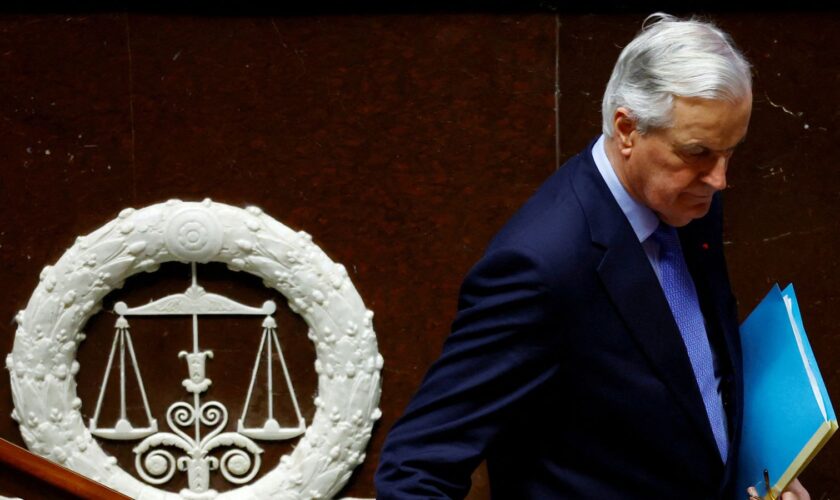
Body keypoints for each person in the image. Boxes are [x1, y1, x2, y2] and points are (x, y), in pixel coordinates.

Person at [375, 12, 809, 500]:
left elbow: (693, 377)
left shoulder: (687, 198)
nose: (720, 178)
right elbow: (415, 467)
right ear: (627, 129)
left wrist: (757, 474)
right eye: (700, 152)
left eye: (732, 151)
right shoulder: (539, 267)